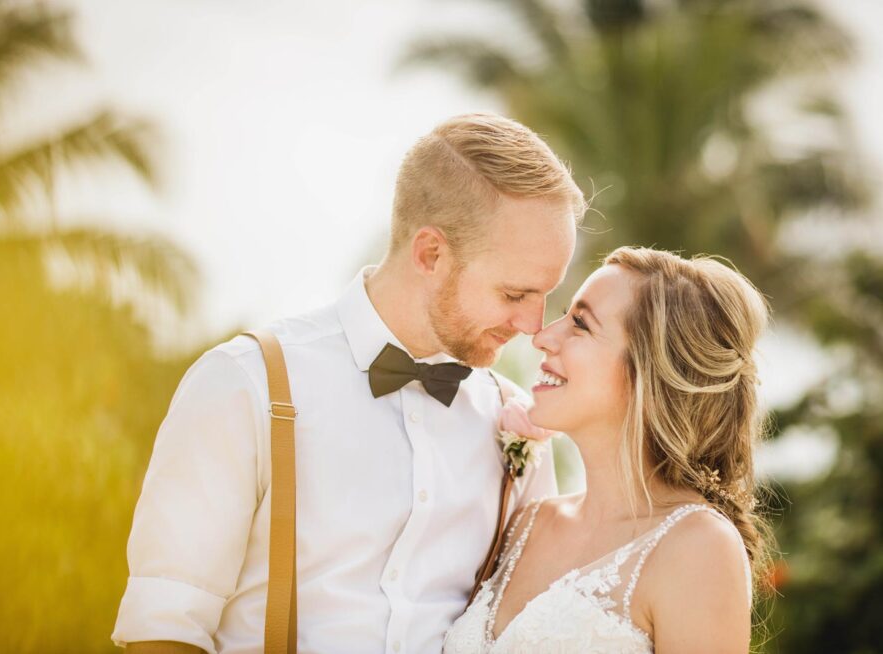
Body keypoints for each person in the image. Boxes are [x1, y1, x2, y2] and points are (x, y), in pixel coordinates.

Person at [112, 113, 585, 653]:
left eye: (546, 294)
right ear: (431, 254)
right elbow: (164, 628)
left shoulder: (518, 425)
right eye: (514, 294)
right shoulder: (247, 384)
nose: (533, 325)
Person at [444, 246, 772, 653]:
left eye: (580, 323)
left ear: (649, 371)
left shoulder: (698, 548)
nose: (543, 337)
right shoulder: (527, 522)